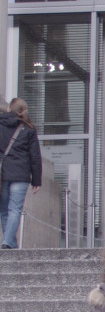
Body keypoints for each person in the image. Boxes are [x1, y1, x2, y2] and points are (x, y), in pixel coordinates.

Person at [0, 98, 41, 249]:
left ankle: (8, 242)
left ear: (10, 109)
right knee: (15, 209)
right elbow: (35, 156)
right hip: (21, 174)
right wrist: (36, 180)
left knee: (4, 210)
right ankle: (8, 242)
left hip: (2, 174)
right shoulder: (29, 129)